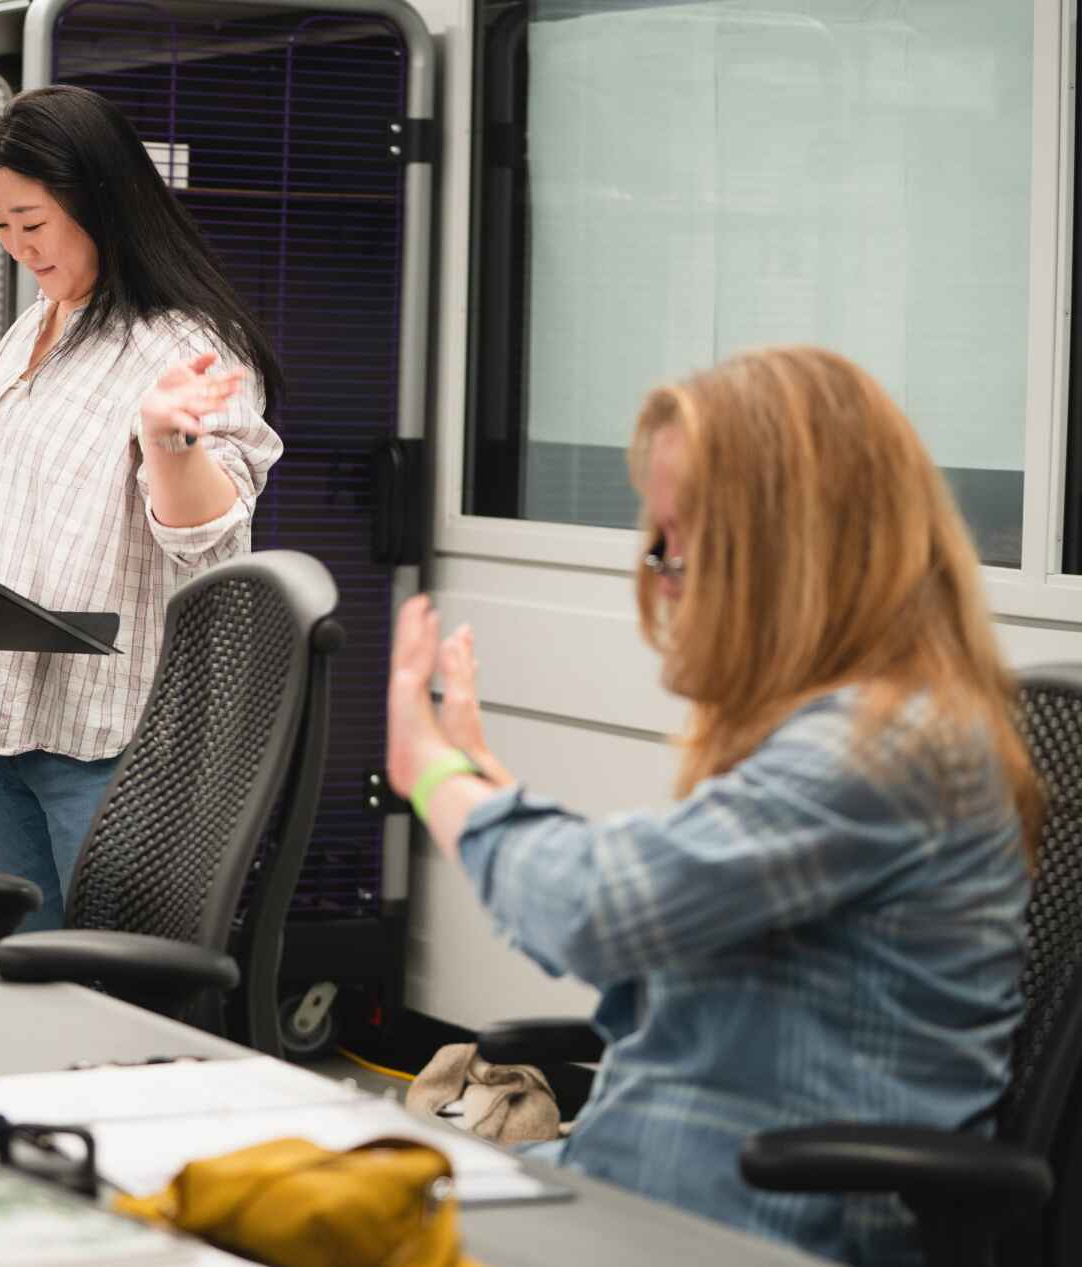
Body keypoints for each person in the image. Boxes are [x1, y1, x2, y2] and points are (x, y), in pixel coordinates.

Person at [385, 345, 1038, 1266]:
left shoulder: (885, 748)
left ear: (787, 548)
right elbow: (653, 897)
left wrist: (429, 773)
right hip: (642, 1191)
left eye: (678, 548)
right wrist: (481, 782)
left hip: (753, 1229)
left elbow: (598, 910)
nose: (661, 577)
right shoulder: (847, 728)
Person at [0, 85, 285, 930]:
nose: (16, 246)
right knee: (35, 969)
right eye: (0, 223)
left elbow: (211, 544)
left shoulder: (185, 345)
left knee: (115, 979)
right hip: (15, 719)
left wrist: (170, 443)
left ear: (101, 201)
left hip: (116, 734)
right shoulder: (39, 325)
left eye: (32, 222)